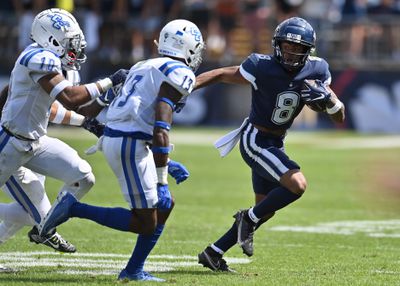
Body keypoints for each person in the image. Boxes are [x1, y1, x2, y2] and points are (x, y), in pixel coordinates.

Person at [39, 19, 205, 282]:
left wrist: (166, 162)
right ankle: (73, 208)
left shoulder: (143, 65)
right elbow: (161, 127)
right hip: (129, 143)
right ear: (189, 48)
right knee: (145, 222)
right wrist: (162, 179)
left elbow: (123, 114)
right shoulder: (179, 72)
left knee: (165, 205)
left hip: (125, 140)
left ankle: (133, 269)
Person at [194, 17, 345, 272]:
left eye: (298, 48)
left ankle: (214, 252)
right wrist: (187, 86)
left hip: (276, 141)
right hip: (256, 139)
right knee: (297, 184)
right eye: (287, 45)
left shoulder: (317, 70)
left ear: (308, 51)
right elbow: (221, 73)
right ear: (277, 45)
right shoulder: (261, 66)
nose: (292, 51)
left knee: (266, 209)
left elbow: (340, 116)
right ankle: (247, 219)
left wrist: (330, 102)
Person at [0, 7, 126, 256]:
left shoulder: (51, 64)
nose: (76, 49)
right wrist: (109, 81)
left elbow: (48, 110)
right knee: (32, 213)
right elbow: (70, 98)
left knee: (83, 176)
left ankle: (44, 228)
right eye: (71, 43)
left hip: (34, 142)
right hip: (9, 144)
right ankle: (45, 225)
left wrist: (85, 123)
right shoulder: (38, 57)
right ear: (52, 39)